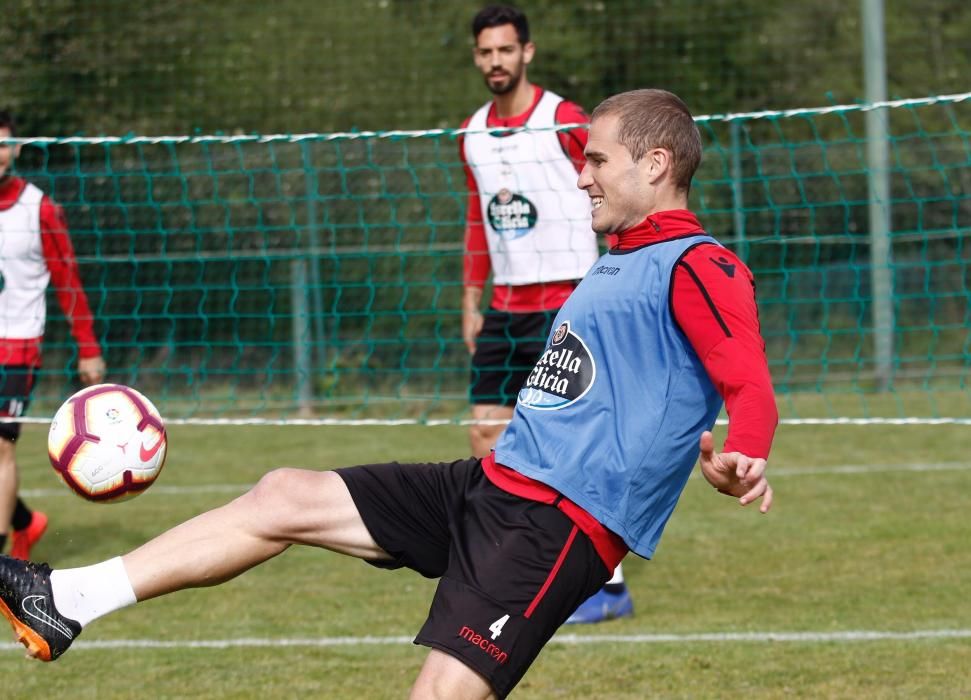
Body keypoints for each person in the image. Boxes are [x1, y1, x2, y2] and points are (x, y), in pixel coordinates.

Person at [0, 89, 776, 700]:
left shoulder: (697, 263)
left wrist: (745, 450)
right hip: (491, 487)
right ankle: (68, 598)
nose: (580, 174)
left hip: (554, 524)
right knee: (283, 494)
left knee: (440, 693)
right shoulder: (618, 258)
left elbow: (748, 380)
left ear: (655, 163)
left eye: (597, 160)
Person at [460, 3, 633, 624]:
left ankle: (607, 586)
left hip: (566, 301)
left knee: (570, 449)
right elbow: (478, 220)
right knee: (486, 437)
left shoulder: (565, 120)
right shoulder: (471, 132)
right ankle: (508, 570)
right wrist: (471, 297)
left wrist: (614, 280)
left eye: (506, 50)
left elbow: (616, 190)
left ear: (526, 52)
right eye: (485, 52)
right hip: (504, 308)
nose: (496, 61)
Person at [0, 111, 106, 559]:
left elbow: (68, 280)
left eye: (3, 144)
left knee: (0, 448)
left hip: (18, 344)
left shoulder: (39, 208)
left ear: (18, 147)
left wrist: (88, 349)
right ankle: (26, 521)